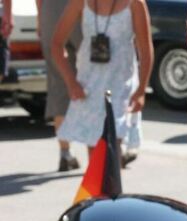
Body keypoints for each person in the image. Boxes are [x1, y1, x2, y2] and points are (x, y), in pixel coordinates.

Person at [51, 0, 153, 160]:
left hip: (121, 86)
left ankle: (111, 183)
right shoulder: (80, 3)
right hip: (89, 87)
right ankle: (100, 184)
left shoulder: (135, 4)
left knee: (113, 145)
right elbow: (56, 45)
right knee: (95, 153)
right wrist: (71, 82)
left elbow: (146, 51)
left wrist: (141, 91)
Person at [36, 0, 83, 172]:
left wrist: (40, 18)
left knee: (59, 81)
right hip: (82, 8)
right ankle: (100, 155)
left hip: (50, 10)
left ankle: (65, 152)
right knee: (94, 75)